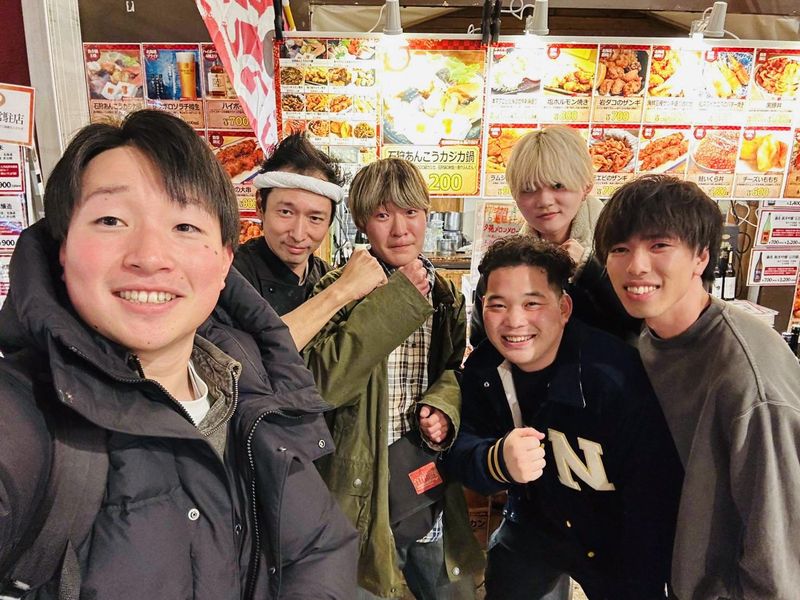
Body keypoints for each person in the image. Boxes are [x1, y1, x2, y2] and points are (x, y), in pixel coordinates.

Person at [0, 110, 357, 599]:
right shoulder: (22, 415)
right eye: (111, 220)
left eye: (185, 226)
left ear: (224, 258)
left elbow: (320, 545)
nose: (150, 256)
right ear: (62, 249)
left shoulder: (243, 376)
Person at [594, 174, 800, 600]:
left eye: (659, 245)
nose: (636, 266)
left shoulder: (746, 378)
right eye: (620, 249)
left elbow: (779, 556)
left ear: (701, 256)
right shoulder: (653, 336)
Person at [446, 235, 682, 600]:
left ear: (564, 308)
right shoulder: (485, 368)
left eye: (532, 303)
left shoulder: (616, 378)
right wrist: (497, 460)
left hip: (615, 537)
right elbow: (461, 450)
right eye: (498, 305)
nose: (515, 321)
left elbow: (653, 500)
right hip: (534, 521)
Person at [304, 158, 484, 599]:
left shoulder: (444, 295)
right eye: (383, 215)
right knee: (368, 583)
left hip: (423, 474)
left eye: (411, 212)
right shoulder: (338, 289)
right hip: (358, 482)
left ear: (427, 215)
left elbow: (452, 370)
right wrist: (397, 302)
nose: (401, 229)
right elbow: (322, 386)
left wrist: (443, 406)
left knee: (447, 586)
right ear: (362, 222)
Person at [471, 125, 638, 346]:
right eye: (529, 189)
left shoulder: (624, 248)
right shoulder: (505, 261)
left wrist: (588, 269)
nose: (545, 201)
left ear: (586, 186)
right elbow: (482, 342)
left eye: (558, 186)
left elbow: (640, 325)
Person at [234, 133, 386, 349]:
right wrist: (342, 290)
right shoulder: (229, 275)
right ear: (260, 206)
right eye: (286, 212)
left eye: (315, 218)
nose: (298, 234)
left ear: (330, 220)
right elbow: (252, 357)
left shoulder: (327, 276)